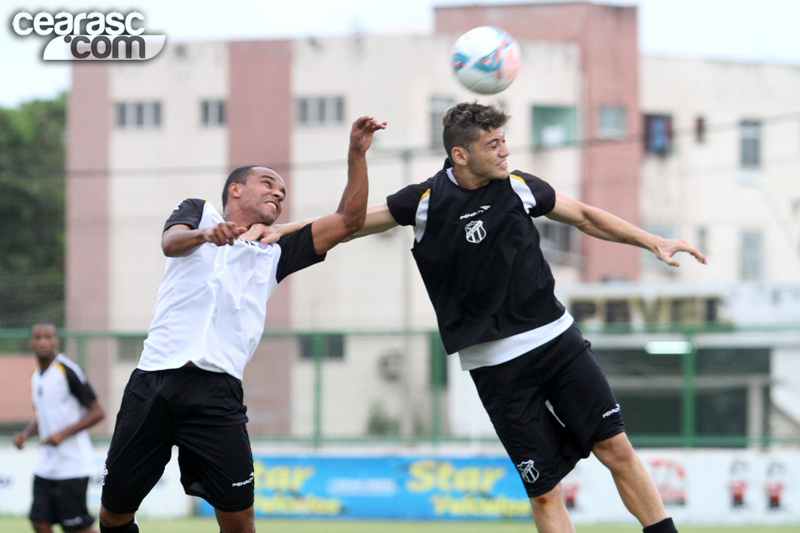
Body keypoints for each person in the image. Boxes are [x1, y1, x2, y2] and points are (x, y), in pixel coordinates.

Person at [271, 103, 706, 533]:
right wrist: (278, 232)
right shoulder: (423, 202)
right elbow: (347, 224)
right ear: (461, 154)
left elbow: (586, 217)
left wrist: (652, 241)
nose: (504, 152)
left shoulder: (518, 187)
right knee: (544, 490)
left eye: (504, 142)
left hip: (557, 343)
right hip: (496, 368)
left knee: (616, 448)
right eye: (493, 144)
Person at [97, 116, 385, 533]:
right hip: (153, 382)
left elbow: (349, 221)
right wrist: (205, 235)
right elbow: (170, 243)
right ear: (236, 189)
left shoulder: (278, 249)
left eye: (283, 193)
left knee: (239, 520)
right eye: (268, 183)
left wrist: (356, 154)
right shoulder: (199, 212)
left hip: (216, 393)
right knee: (114, 514)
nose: (278, 194)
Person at [14, 322, 105, 533]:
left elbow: (97, 411)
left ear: (56, 341)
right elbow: (44, 417)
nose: (43, 341)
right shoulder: (36, 377)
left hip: (72, 465)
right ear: (31, 342)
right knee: (39, 521)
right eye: (38, 337)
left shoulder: (67, 370)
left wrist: (62, 434)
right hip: (46, 466)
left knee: (76, 527)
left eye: (48, 337)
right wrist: (26, 435)